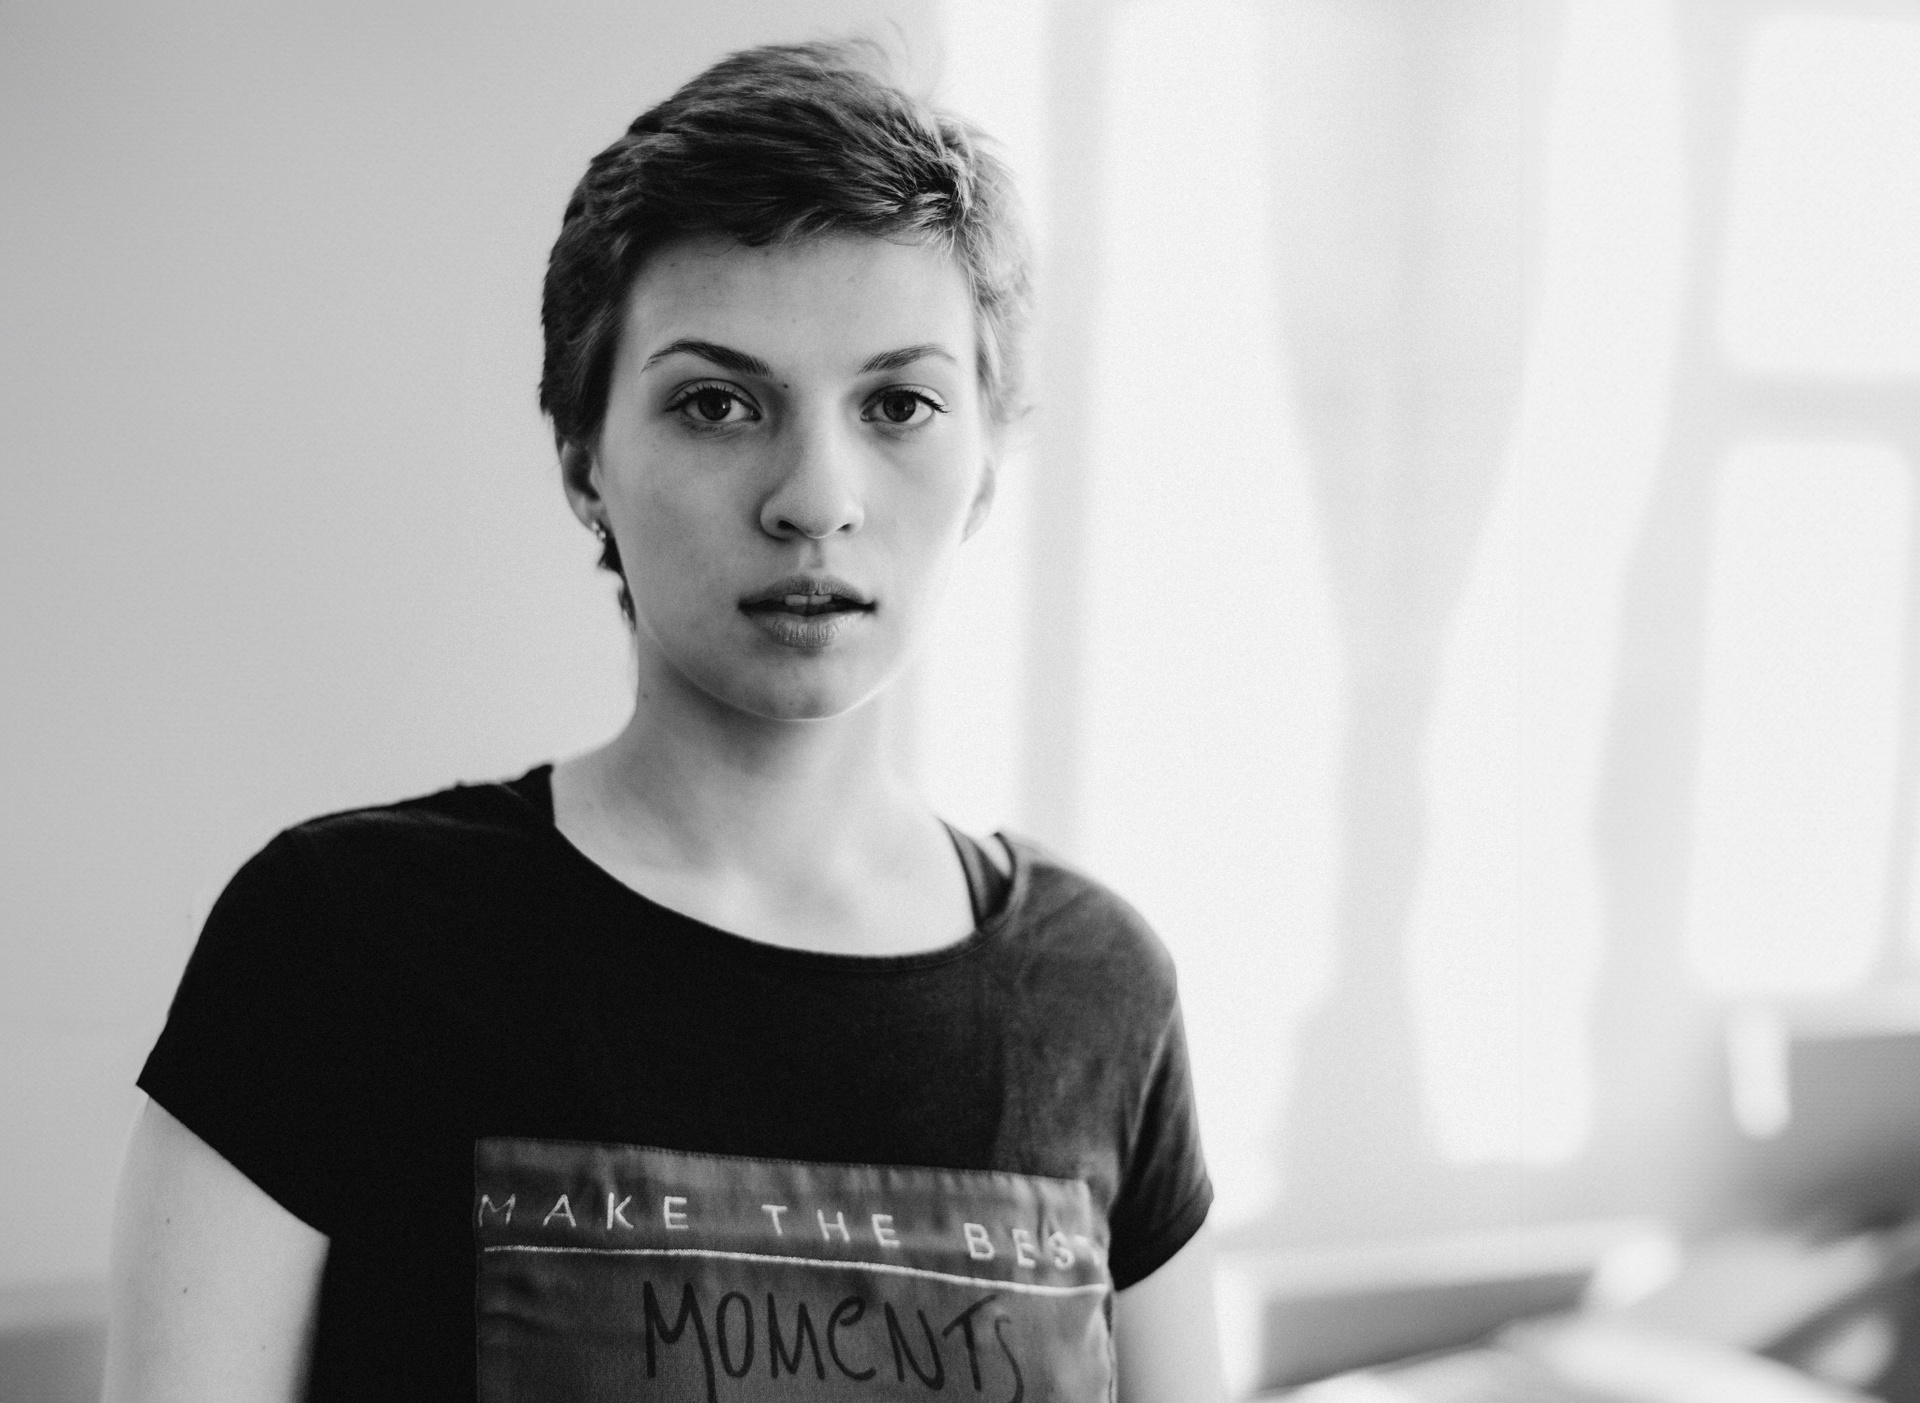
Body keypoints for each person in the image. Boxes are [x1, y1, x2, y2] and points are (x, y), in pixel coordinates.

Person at [104, 38, 1225, 1403]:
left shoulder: (1104, 994)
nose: (815, 498)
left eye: (898, 404)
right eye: (717, 404)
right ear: (585, 460)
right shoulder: (336, 943)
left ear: (985, 464)